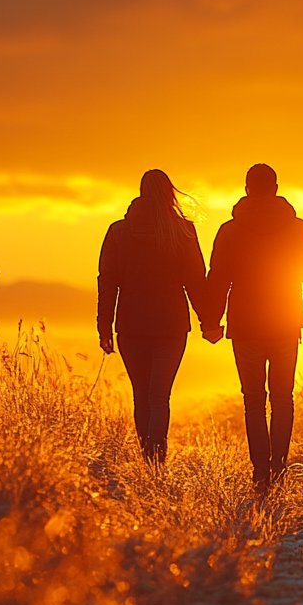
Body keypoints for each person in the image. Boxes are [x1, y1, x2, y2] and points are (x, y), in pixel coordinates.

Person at [204, 163, 303, 495]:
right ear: (275, 188)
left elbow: (218, 279)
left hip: (245, 325)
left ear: (247, 189)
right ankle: (279, 467)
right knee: (283, 398)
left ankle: (261, 472)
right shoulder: (299, 229)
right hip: (285, 323)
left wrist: (210, 321)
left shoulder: (230, 231)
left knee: (254, 400)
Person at [97, 169, 213, 463]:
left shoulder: (118, 232)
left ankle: (148, 460)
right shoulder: (183, 230)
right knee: (159, 396)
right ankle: (156, 462)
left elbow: (107, 282)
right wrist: (209, 322)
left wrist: (104, 327)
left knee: (141, 395)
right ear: (169, 193)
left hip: (131, 325)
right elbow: (195, 281)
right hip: (171, 325)